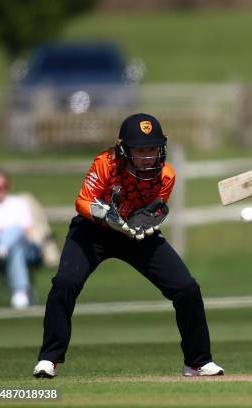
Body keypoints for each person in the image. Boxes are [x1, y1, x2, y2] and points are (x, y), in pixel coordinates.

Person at [33, 113, 224, 378]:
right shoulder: (105, 164)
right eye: (140, 150)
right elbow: (82, 201)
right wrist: (107, 217)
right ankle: (48, 359)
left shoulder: (166, 176)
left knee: (186, 288)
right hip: (93, 231)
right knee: (65, 283)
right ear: (124, 150)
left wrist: (145, 222)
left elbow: (155, 208)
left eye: (152, 149)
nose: (147, 156)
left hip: (134, 235)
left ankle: (197, 361)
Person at [0, 171, 41, 309]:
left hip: (18, 248)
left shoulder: (19, 203)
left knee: (15, 238)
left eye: (2, 186)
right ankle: (20, 293)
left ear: (7, 186)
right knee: (14, 242)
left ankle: (3, 248)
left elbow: (27, 230)